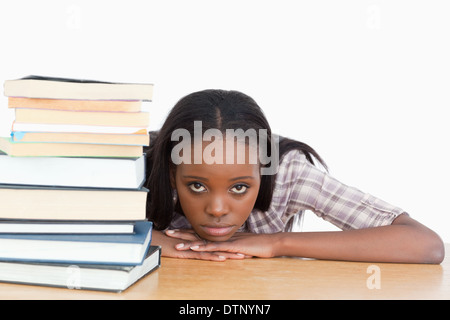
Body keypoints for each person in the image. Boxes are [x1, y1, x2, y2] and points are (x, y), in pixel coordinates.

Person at [144, 89, 444, 263]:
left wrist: (277, 243)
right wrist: (149, 240)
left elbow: (425, 244)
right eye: (197, 185)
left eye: (239, 187)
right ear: (172, 175)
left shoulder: (288, 172)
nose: (218, 209)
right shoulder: (136, 164)